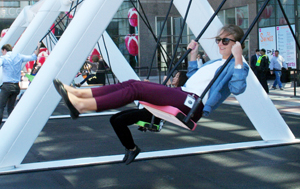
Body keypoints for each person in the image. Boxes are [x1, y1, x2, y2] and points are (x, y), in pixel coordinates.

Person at [53, 24, 249, 159]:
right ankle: (79, 95)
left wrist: (239, 58)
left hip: (192, 104)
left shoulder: (235, 65)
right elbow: (194, 75)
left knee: (137, 88)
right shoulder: (216, 62)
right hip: (183, 93)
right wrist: (194, 54)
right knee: (132, 83)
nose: (220, 44)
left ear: (237, 44)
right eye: (218, 40)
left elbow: (238, 88)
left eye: (225, 41)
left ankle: (81, 105)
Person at [110, 71, 188, 165]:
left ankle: (132, 149)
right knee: (113, 119)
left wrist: (167, 87)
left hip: (153, 115)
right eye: (174, 76)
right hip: (147, 110)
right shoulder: (171, 90)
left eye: (177, 77)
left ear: (182, 79)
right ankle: (128, 147)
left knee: (119, 121)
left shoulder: (179, 93)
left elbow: (167, 100)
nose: (174, 78)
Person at [0, 43, 41, 126]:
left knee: (1, 106)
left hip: (6, 86)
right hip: (16, 87)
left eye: (2, 52)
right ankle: (12, 125)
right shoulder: (19, 56)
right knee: (11, 108)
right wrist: (38, 47)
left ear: (4, 50)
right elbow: (34, 57)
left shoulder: (3, 58)